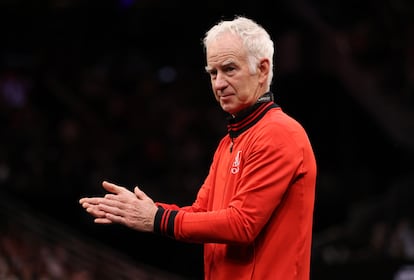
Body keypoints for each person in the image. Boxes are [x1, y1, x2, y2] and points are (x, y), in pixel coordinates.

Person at [79, 15, 317, 280]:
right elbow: (201, 214)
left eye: (229, 69)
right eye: (213, 73)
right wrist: (145, 211)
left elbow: (242, 224)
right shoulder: (229, 141)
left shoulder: (279, 133)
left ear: (262, 69)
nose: (218, 84)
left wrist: (157, 218)